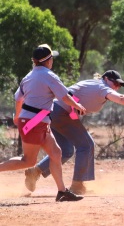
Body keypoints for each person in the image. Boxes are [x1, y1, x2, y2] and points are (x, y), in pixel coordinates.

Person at [24, 70, 124, 194]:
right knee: (86, 145)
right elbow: (120, 98)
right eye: (115, 83)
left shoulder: (95, 85)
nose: (116, 87)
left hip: (52, 112)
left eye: (118, 86)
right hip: (59, 112)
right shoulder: (101, 87)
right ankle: (77, 186)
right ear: (105, 79)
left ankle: (35, 171)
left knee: (65, 150)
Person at [1, 44, 86, 202]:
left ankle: (62, 192)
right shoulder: (49, 75)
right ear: (48, 60)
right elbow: (64, 96)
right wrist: (77, 105)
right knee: (29, 161)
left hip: (36, 120)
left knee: (56, 153)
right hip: (35, 121)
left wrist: (17, 116)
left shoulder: (29, 76)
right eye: (52, 57)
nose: (52, 60)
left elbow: (18, 98)